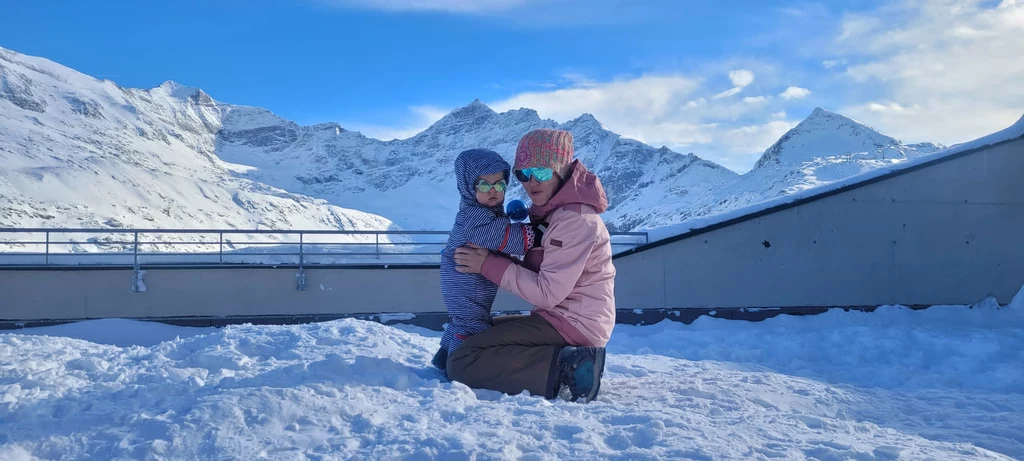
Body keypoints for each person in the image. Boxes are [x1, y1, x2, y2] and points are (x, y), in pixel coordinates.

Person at [449, 128, 615, 403]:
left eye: (541, 171)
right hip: (560, 318)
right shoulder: (553, 214)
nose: (531, 182)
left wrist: (487, 264)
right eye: (522, 174)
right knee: (474, 335)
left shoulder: (574, 220)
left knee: (463, 360)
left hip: (576, 324)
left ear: (561, 170)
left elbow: (547, 293)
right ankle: (563, 360)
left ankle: (570, 367)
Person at [433, 148, 535, 373]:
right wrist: (535, 231)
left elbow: (497, 228)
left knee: (462, 320)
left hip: (461, 281)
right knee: (473, 326)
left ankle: (442, 358)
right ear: (469, 187)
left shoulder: (478, 211)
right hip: (466, 285)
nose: (493, 191)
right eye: (484, 185)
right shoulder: (474, 217)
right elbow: (507, 238)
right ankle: (462, 366)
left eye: (499, 185)